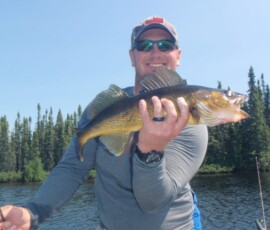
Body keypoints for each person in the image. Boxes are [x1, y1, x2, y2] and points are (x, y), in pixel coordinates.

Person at [0, 16, 208, 230]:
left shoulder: (191, 121)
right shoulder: (105, 110)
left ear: (178, 55)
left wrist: (150, 151)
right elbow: (72, 168)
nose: (155, 52)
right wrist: (31, 212)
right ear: (132, 56)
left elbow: (153, 201)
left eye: (165, 45)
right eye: (144, 45)